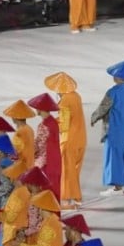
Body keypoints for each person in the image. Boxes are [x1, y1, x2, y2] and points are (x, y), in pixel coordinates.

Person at [90, 61, 124, 195]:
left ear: (117, 76)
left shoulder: (113, 92)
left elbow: (103, 108)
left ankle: (117, 187)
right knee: (122, 156)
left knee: (113, 156)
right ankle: (121, 183)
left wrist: (94, 118)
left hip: (114, 129)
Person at [44, 72, 87, 208]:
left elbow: (64, 124)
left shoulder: (65, 101)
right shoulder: (76, 96)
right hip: (81, 137)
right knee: (74, 169)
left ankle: (67, 201)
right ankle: (77, 198)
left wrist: (50, 125)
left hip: (69, 140)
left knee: (67, 171)